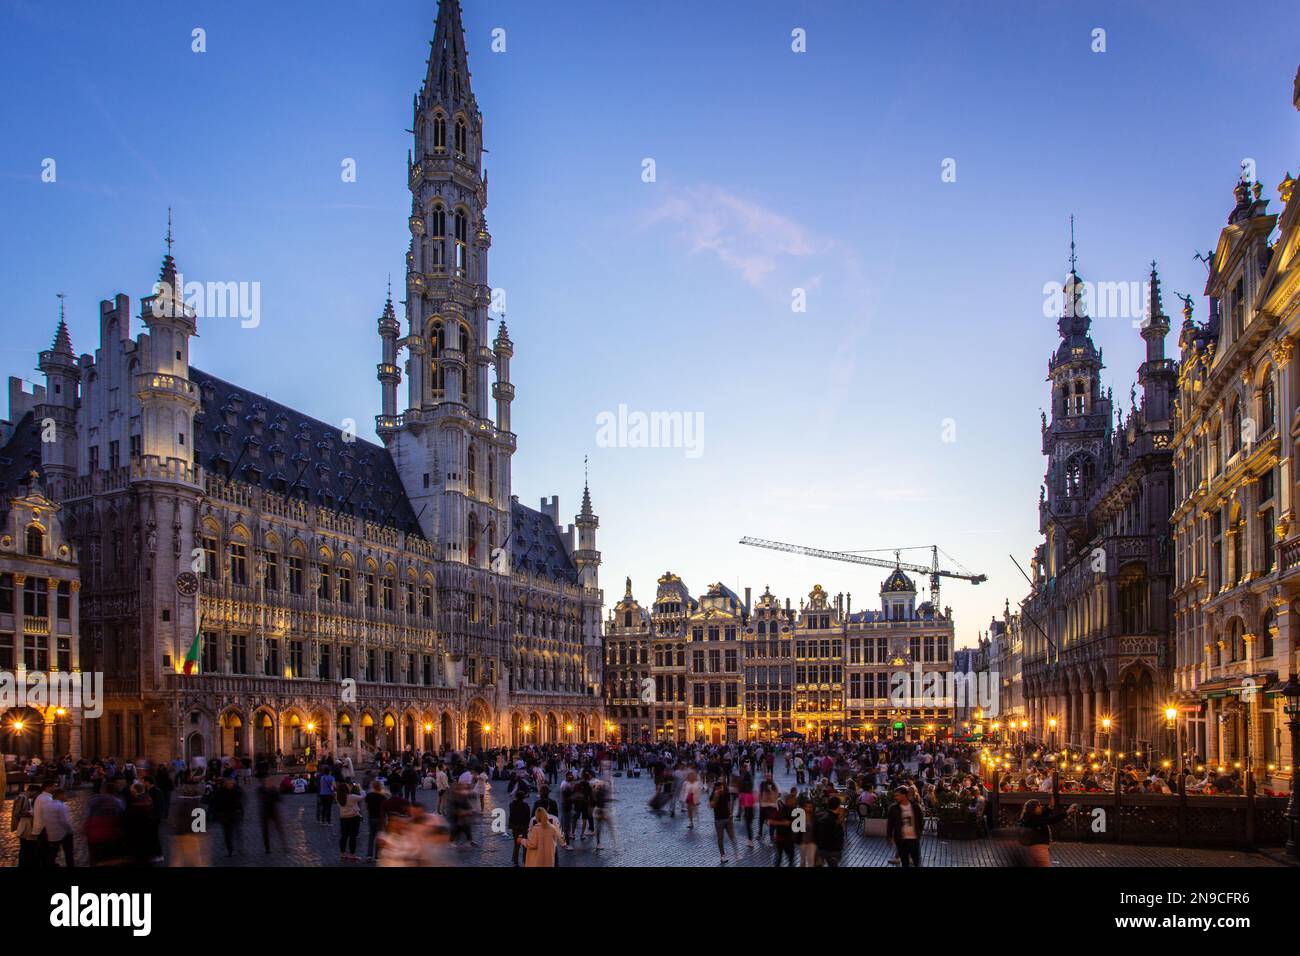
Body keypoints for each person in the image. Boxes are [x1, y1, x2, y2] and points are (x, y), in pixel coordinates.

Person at [1018, 798, 1078, 867]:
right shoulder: (1033, 819)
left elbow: (1043, 815)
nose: (1041, 807)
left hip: (1033, 848)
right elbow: (1051, 820)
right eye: (1039, 806)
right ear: (1033, 808)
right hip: (1038, 849)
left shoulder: (1030, 817)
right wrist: (1067, 812)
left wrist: (1050, 807)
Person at [886, 786, 924, 868]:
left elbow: (921, 821)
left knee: (916, 861)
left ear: (904, 795)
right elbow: (890, 824)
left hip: (913, 839)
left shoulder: (915, 806)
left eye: (898, 795)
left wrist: (919, 833)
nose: (896, 797)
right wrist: (889, 836)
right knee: (904, 862)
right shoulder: (894, 808)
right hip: (901, 839)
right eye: (895, 795)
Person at [10, 783, 41, 867]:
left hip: (25, 826)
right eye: (37, 794)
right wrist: (31, 814)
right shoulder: (22, 797)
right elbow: (17, 813)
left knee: (25, 848)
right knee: (24, 848)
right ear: (34, 791)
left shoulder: (24, 797)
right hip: (24, 827)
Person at [709, 780, 740, 864]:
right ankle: (722, 856)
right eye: (718, 787)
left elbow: (729, 803)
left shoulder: (726, 793)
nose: (719, 788)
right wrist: (716, 796)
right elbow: (712, 806)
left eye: (721, 786)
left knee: (732, 836)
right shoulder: (713, 795)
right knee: (720, 838)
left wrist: (731, 814)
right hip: (718, 819)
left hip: (727, 818)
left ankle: (736, 854)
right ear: (715, 788)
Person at [45, 788, 74, 867]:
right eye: (65, 795)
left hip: (52, 834)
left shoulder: (47, 805)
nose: (66, 796)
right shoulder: (61, 806)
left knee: (53, 854)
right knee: (68, 853)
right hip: (63, 834)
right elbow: (64, 821)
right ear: (60, 795)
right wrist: (71, 830)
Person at [336, 782, 364, 861]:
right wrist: (360, 788)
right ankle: (352, 854)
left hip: (343, 818)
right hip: (353, 818)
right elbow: (362, 797)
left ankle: (342, 854)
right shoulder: (351, 797)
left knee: (344, 836)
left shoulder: (338, 797)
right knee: (353, 837)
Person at [258, 777, 286, 854]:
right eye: (268, 782)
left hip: (273, 811)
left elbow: (279, 799)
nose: (269, 783)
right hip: (265, 812)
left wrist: (278, 792)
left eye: (270, 782)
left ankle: (284, 845)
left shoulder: (274, 789)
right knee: (265, 831)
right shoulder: (261, 790)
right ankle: (267, 848)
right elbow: (262, 798)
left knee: (280, 829)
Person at [509, 787, 532, 866]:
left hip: (515, 827)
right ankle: (525, 860)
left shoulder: (512, 805)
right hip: (524, 827)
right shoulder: (526, 806)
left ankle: (515, 860)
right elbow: (528, 816)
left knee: (516, 844)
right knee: (525, 844)